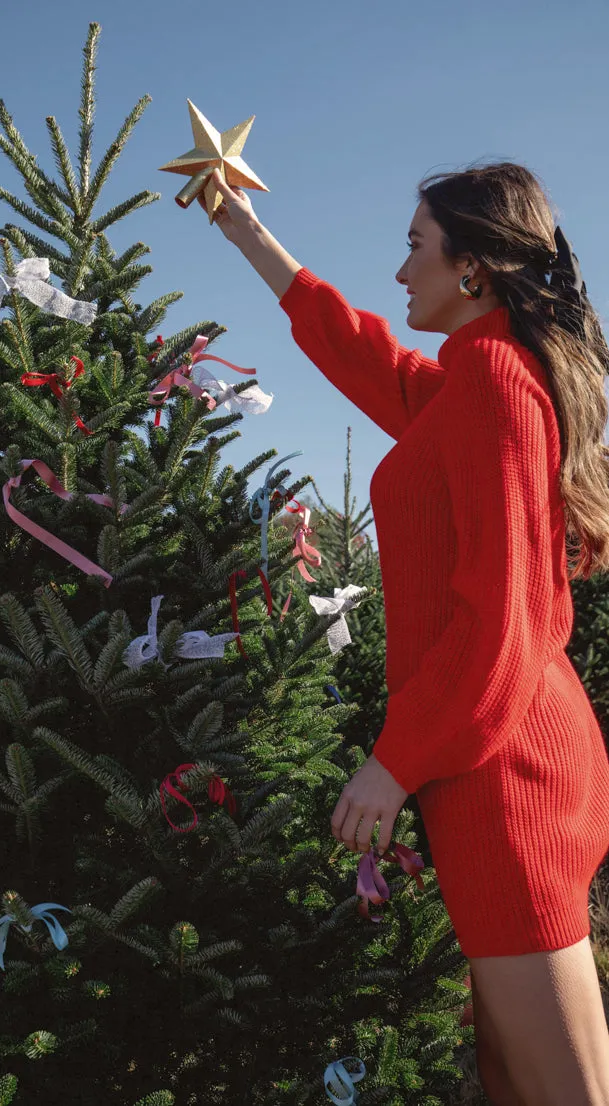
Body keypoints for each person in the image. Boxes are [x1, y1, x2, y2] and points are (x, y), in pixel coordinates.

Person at [197, 163, 609, 1106]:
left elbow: (502, 624)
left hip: (510, 783)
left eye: (414, 248)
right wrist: (250, 238)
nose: (398, 272)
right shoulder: (467, 382)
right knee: (515, 1084)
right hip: (488, 765)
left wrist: (393, 761)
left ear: (472, 268)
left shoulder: (499, 387)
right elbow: (365, 354)